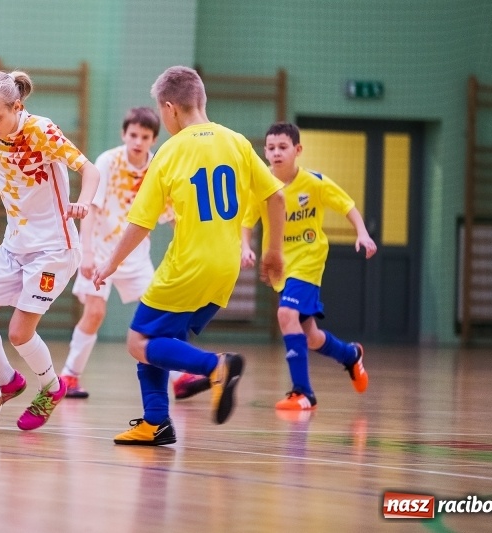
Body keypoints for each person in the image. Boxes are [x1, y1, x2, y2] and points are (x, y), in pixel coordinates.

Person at [91, 66, 286, 446]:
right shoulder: (237, 142)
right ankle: (156, 422)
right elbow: (275, 197)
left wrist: (109, 264)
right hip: (226, 268)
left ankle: (215, 367)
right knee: (164, 338)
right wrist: (273, 251)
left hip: (188, 266)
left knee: (138, 341)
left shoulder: (168, 152)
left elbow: (140, 223)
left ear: (169, 108)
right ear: (202, 101)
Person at [0, 69, 100, 431]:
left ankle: (52, 388)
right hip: (15, 244)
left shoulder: (40, 130)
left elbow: (91, 171)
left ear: (17, 107)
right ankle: (8, 381)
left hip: (53, 247)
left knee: (20, 332)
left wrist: (83, 203)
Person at [242, 121, 376, 411]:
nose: (277, 153)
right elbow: (247, 221)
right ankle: (350, 355)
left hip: (308, 261)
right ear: (265, 152)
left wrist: (362, 233)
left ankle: (303, 393)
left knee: (286, 314)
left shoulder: (314, 182)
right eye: (272, 148)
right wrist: (245, 247)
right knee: (311, 337)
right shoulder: (263, 185)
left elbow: (347, 205)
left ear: (297, 150)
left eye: (283, 147)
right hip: (281, 267)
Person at [59, 107, 170, 399]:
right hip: (101, 249)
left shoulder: (158, 166)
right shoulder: (108, 161)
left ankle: (180, 378)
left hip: (135, 255)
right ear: (124, 134)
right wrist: (88, 253)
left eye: (145, 136)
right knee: (95, 313)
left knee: (160, 313)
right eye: (133, 134)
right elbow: (92, 208)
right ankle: (69, 376)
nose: (137, 141)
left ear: (153, 140)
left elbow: (170, 214)